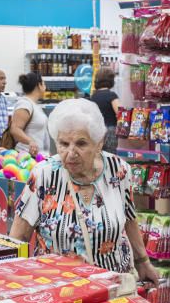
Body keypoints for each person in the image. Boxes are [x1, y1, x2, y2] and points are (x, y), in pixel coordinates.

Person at [10, 98, 159, 285]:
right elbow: (19, 237)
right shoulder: (43, 175)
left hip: (113, 288)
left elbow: (128, 218)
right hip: (58, 290)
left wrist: (143, 262)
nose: (70, 153)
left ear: (99, 143)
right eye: (63, 143)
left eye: (81, 144)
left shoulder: (118, 170)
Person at [10, 72, 50, 157]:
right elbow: (15, 129)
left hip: (39, 156)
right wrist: (30, 141)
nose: (45, 87)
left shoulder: (34, 105)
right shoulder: (25, 104)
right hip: (27, 157)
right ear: (39, 85)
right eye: (44, 83)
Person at [90, 66, 119, 153]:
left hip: (97, 130)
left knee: (98, 155)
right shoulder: (112, 95)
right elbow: (119, 113)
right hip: (110, 131)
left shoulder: (93, 96)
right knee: (111, 156)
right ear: (111, 80)